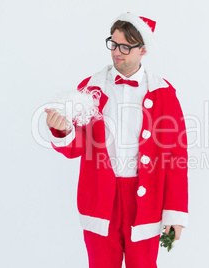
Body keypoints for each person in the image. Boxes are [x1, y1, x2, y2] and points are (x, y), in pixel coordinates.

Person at [44, 12, 188, 268]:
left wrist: (174, 213)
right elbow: (79, 147)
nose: (116, 52)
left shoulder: (164, 93)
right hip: (101, 197)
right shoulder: (90, 88)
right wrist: (63, 130)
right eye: (113, 43)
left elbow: (177, 157)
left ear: (142, 50)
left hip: (145, 201)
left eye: (125, 46)